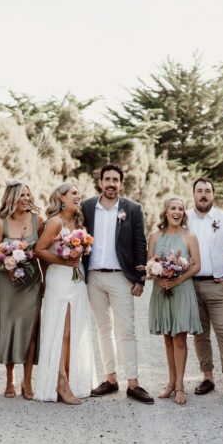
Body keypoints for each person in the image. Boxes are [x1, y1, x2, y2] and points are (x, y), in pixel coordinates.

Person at [81, 164, 154, 405]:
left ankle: (133, 382)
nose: (111, 183)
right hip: (93, 276)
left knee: (127, 330)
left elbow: (140, 244)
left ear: (121, 184)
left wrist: (140, 278)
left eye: (116, 180)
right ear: (100, 182)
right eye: (107, 179)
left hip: (121, 277)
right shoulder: (88, 207)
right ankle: (110, 379)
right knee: (103, 329)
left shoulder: (132, 209)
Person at [33, 182, 96, 404]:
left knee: (74, 331)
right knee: (62, 331)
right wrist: (63, 260)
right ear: (61, 197)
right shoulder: (56, 222)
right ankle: (59, 381)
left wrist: (79, 252)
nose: (78, 196)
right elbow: (39, 250)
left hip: (76, 279)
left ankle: (70, 377)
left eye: (79, 192)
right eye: (73, 193)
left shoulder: (77, 222)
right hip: (60, 278)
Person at [187, 177, 223, 404]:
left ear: (214, 194)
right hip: (191, 286)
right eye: (199, 191)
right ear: (193, 194)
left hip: (218, 285)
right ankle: (207, 378)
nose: (203, 195)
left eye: (207, 191)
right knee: (200, 334)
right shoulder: (185, 218)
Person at [0, 180, 44, 400]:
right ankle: (10, 379)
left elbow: (42, 250)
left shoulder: (38, 220)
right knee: (10, 328)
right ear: (11, 197)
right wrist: (9, 268)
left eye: (28, 195)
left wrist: (46, 279)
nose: (26, 199)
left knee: (31, 330)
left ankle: (27, 380)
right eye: (22, 195)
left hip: (32, 281)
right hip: (7, 283)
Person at [147, 196, 202, 405]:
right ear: (166, 212)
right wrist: (157, 276)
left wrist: (177, 278)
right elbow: (150, 263)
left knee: (179, 338)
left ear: (183, 214)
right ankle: (170, 382)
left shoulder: (189, 236)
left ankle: (180, 386)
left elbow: (196, 265)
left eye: (180, 209)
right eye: (173, 208)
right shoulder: (154, 236)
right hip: (162, 290)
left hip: (182, 290)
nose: (177, 212)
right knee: (167, 338)